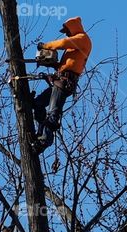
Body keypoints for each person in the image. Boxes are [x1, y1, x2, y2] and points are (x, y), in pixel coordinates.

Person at [32, 16, 92, 153]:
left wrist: (45, 46)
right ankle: (40, 132)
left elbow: (63, 43)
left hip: (65, 83)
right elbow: (67, 64)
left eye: (67, 30)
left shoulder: (82, 39)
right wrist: (54, 65)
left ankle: (44, 141)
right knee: (38, 104)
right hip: (60, 81)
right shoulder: (74, 46)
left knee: (53, 112)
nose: (66, 33)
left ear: (73, 27)